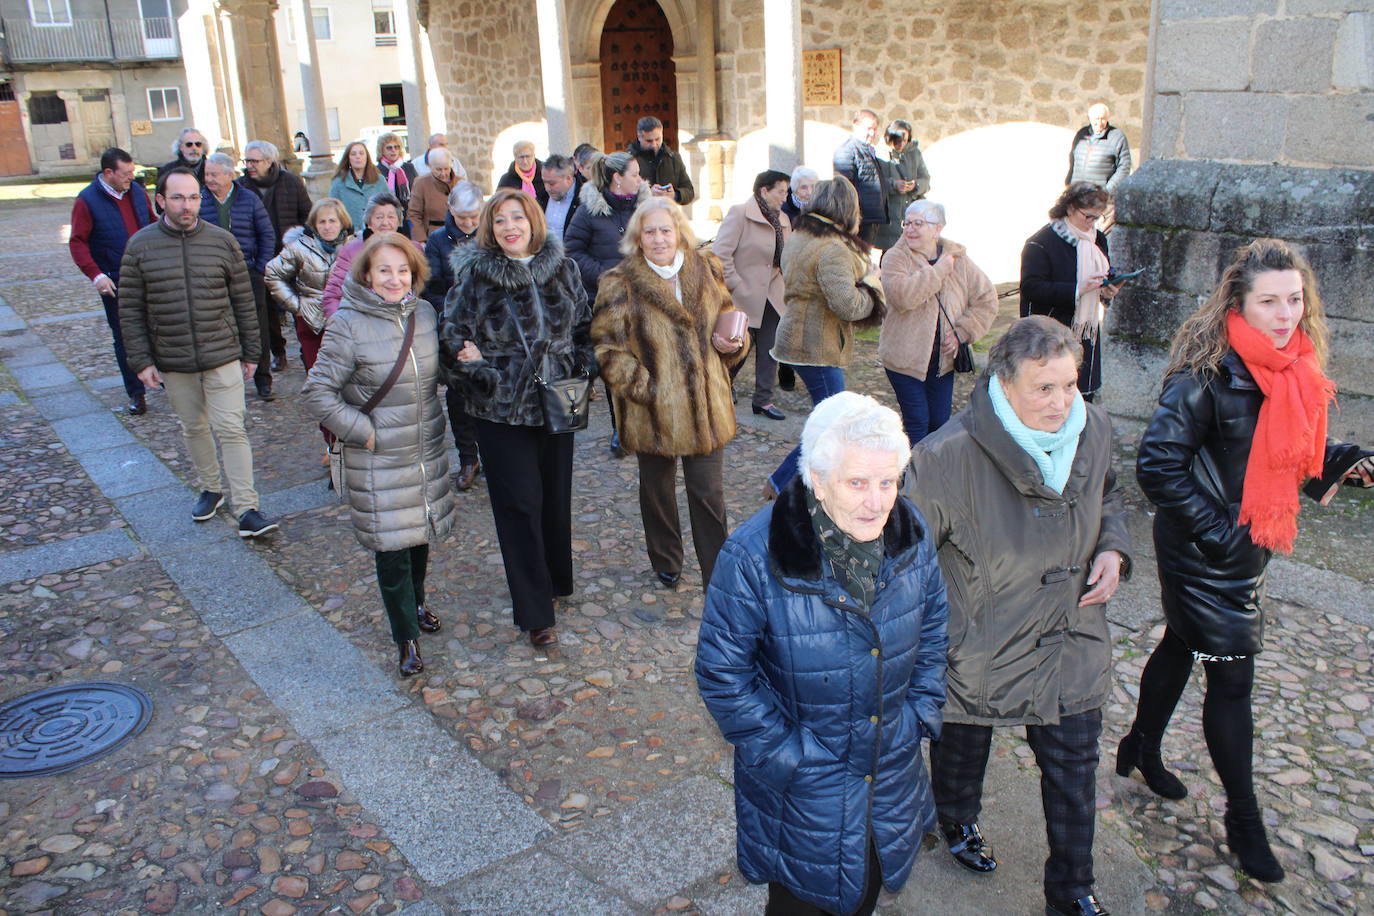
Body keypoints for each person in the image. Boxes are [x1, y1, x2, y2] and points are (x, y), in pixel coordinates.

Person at [1124, 239, 1372, 884]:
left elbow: (1277, 439)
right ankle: (1244, 818)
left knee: (1181, 644)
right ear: (1238, 301)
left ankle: (1140, 746)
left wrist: (1339, 456)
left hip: (1247, 541)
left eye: (1294, 299)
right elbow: (1157, 466)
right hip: (1204, 549)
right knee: (1231, 680)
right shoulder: (1204, 374)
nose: (1286, 313)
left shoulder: (1292, 366)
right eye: (1270, 301)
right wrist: (1218, 535)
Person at [903, 316, 1130, 916]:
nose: (1062, 404)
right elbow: (902, 559)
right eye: (1043, 388)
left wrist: (1113, 547)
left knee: (1075, 771)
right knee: (962, 740)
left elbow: (1109, 493)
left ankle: (1073, 891)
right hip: (981, 640)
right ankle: (954, 819)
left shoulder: (1095, 428)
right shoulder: (944, 457)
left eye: (1071, 385)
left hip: (1070, 636)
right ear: (1004, 385)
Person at [696, 391, 948, 916]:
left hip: (890, 771)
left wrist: (919, 715)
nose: (878, 502)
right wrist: (793, 758)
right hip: (804, 792)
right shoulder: (751, 556)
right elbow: (723, 674)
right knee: (801, 903)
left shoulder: (912, 537)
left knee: (867, 890)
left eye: (889, 481)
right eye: (857, 482)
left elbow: (934, 634)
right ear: (816, 478)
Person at [440, 188, 595, 649]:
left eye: (518, 218)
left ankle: (554, 579)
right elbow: (451, 333)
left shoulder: (562, 268)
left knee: (554, 497)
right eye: (501, 220)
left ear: (533, 221)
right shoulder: (477, 276)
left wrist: (584, 363)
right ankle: (534, 612)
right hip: (501, 407)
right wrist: (474, 366)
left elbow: (586, 325)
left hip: (558, 399)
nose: (511, 227)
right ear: (490, 227)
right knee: (520, 504)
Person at [302, 233, 455, 678]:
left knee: (419, 534)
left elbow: (437, 370)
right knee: (392, 549)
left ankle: (418, 600)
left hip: (423, 448)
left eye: (403, 270)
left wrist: (467, 361)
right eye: (384, 270)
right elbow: (317, 392)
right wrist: (362, 430)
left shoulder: (424, 314)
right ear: (367, 274)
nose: (394, 279)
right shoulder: (348, 324)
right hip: (378, 457)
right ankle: (405, 634)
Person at [592, 197, 746, 589]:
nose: (659, 239)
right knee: (657, 490)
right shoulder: (620, 282)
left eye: (665, 229)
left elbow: (728, 316)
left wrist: (733, 345)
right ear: (637, 238)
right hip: (653, 410)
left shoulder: (707, 268)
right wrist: (646, 389)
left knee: (709, 492)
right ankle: (666, 559)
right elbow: (607, 348)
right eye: (650, 231)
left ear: (679, 232)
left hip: (706, 405)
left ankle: (717, 568)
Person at [118, 169, 278, 538]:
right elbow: (130, 309)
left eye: (193, 197)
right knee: (193, 427)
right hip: (173, 359)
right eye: (178, 198)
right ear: (161, 200)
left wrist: (252, 352)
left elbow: (244, 301)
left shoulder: (222, 242)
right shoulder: (140, 246)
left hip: (222, 353)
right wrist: (141, 361)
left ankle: (248, 508)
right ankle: (210, 487)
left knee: (232, 428)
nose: (187, 205)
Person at [765, 176, 884, 496]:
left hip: (800, 338)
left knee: (828, 420)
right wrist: (873, 283)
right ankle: (783, 482)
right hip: (816, 345)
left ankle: (805, 482)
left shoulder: (802, 236)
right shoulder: (834, 248)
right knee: (833, 424)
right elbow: (848, 305)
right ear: (848, 209)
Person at [879, 200, 998, 445]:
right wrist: (940, 270)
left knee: (940, 424)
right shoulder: (895, 257)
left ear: (937, 228)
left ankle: (931, 475)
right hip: (904, 359)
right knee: (917, 422)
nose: (910, 229)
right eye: (907, 223)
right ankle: (912, 479)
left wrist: (962, 332)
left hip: (943, 361)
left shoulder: (959, 260)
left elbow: (987, 299)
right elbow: (902, 297)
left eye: (918, 223)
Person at [565, 151, 646, 459]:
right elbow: (571, 249)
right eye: (635, 174)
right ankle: (620, 429)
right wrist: (603, 276)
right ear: (617, 178)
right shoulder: (589, 211)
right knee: (615, 365)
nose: (640, 180)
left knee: (643, 363)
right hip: (605, 303)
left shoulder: (644, 207)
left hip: (641, 300)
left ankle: (643, 423)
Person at [69, 147, 156, 415]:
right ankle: (136, 392)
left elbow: (153, 224)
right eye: (125, 173)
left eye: (132, 172)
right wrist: (96, 275)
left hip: (147, 275)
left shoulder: (138, 193)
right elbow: (78, 242)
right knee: (125, 337)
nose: (131, 177)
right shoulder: (87, 201)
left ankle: (164, 379)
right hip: (115, 280)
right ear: (108, 173)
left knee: (159, 328)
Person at [1020, 182, 1121, 402]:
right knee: (1050, 400)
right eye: (1088, 216)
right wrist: (1077, 289)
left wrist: (1107, 291)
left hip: (1085, 333)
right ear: (1070, 209)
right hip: (1049, 335)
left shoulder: (1097, 239)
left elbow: (1103, 274)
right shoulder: (1040, 243)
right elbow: (1030, 288)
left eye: (1098, 217)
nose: (1092, 223)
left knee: (1082, 400)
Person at [712, 169, 791, 421]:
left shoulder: (785, 220)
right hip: (743, 296)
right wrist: (736, 285)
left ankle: (763, 400)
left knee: (770, 349)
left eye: (786, 191)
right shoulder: (739, 214)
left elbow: (785, 258)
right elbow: (720, 254)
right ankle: (720, 389)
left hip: (773, 295)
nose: (785, 196)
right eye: (781, 191)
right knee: (736, 348)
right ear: (764, 191)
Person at [422, 181, 485, 492]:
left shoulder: (490, 236)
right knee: (459, 398)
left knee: (488, 392)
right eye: (463, 218)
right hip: (454, 331)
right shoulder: (437, 241)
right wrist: (453, 314)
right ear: (451, 212)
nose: (470, 223)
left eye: (474, 217)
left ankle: (492, 453)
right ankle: (468, 458)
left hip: (488, 331)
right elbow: (430, 288)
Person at [201, 152, 278, 402]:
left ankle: (263, 378)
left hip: (248, 273)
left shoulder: (248, 198)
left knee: (257, 326)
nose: (208, 179)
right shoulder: (200, 200)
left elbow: (266, 234)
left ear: (228, 174)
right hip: (211, 277)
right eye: (207, 174)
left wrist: (261, 266)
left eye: (214, 174)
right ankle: (227, 381)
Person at [239, 139, 312, 372]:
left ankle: (306, 352)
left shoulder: (290, 181)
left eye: (254, 161)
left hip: (291, 255)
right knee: (268, 309)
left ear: (269, 161)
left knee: (299, 305)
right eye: (247, 160)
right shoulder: (241, 186)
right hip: (261, 257)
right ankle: (278, 352)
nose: (250, 165)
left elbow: (306, 215)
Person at [265, 197, 352, 377]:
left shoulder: (353, 247)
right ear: (314, 224)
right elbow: (273, 273)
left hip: (346, 320)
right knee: (318, 377)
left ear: (342, 222)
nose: (327, 226)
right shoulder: (300, 247)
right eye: (322, 221)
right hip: (312, 321)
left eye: (332, 221)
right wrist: (295, 305)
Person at [322, 193, 418, 320]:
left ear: (398, 221)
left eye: (391, 217)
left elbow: (421, 291)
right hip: (363, 322)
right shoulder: (352, 251)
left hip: (403, 322)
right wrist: (343, 325)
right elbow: (332, 295)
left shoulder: (413, 249)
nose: (385, 222)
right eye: (379, 217)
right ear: (369, 223)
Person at [874, 120, 931, 252]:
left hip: (912, 213)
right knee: (890, 255)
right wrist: (894, 185)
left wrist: (915, 185)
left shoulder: (914, 153)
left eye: (905, 141)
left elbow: (926, 180)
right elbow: (875, 182)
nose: (901, 144)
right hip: (890, 216)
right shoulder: (879, 154)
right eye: (898, 141)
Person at [832, 109, 887, 245]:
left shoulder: (867, 150)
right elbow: (844, 189)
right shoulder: (847, 152)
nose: (872, 133)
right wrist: (853, 220)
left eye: (874, 129)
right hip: (858, 221)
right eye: (868, 128)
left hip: (870, 220)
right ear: (856, 125)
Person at [1066, 104, 1131, 209]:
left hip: (1099, 197)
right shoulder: (1081, 134)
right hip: (1077, 193)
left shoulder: (1117, 137)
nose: (1099, 123)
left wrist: (1107, 190)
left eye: (1103, 119)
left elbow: (1124, 167)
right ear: (1089, 119)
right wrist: (1069, 182)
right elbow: (1072, 159)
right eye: (1096, 119)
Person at [627, 116, 695, 205]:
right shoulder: (628, 161)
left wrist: (675, 195)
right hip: (641, 216)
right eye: (649, 141)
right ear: (639, 137)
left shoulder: (673, 158)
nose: (654, 144)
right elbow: (622, 196)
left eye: (658, 139)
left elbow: (689, 191)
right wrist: (647, 194)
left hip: (668, 214)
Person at [329, 141, 389, 231]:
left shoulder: (379, 180)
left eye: (361, 153)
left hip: (377, 232)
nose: (358, 157)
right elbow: (332, 210)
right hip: (350, 234)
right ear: (348, 158)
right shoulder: (338, 182)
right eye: (353, 154)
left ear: (367, 157)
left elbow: (389, 206)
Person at [407, 148, 457, 243]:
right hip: (432, 238)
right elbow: (414, 214)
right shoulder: (421, 184)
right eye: (438, 169)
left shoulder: (460, 183)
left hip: (458, 237)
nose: (443, 173)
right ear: (430, 167)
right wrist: (421, 240)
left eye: (446, 169)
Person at [497, 140, 548, 208]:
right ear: (515, 157)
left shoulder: (545, 175)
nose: (525, 161)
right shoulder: (506, 180)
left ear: (534, 155)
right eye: (521, 157)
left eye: (528, 156)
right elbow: (498, 203)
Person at [540, 154, 581, 240]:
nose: (547, 188)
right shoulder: (541, 197)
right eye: (544, 182)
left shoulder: (585, 200)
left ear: (568, 179)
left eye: (552, 183)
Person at [375, 132, 414, 214]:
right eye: (389, 148)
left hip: (409, 215)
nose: (393, 150)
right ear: (381, 150)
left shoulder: (409, 167)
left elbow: (417, 191)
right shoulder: (376, 171)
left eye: (396, 147)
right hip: (386, 215)